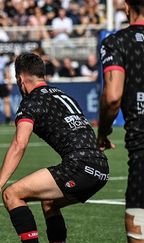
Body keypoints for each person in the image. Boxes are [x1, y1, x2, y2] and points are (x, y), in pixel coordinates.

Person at [0, 53, 109, 243]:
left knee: (11, 194)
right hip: (101, 169)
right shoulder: (65, 96)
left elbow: (19, 144)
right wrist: (102, 141)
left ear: (21, 79)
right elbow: (81, 130)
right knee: (49, 203)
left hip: (79, 167)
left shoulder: (31, 102)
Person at [98, 1, 144, 242]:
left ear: (127, 7)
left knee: (138, 221)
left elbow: (113, 97)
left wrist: (103, 133)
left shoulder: (117, 42)